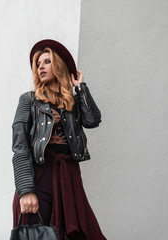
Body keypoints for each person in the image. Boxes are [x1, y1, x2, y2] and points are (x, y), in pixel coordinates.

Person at [11, 39, 106, 240]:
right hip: (39, 178)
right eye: (38, 64)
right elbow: (20, 147)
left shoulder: (71, 103)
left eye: (47, 62)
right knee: (40, 235)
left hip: (69, 179)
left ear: (59, 66)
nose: (40, 67)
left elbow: (92, 120)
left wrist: (81, 88)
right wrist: (26, 190)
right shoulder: (28, 100)